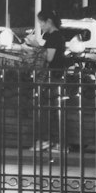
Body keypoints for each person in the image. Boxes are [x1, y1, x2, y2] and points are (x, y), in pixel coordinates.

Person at [36, 8, 67, 152]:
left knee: (51, 110)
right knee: (52, 110)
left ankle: (54, 141)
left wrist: (35, 45)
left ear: (48, 21)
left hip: (53, 77)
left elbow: (49, 57)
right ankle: (52, 141)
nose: (41, 26)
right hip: (56, 76)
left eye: (41, 23)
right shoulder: (56, 36)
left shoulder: (54, 37)